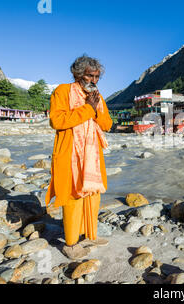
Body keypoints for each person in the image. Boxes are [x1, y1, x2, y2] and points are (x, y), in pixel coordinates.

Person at [45, 55, 113, 260]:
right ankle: (71, 243)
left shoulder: (97, 96)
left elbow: (107, 125)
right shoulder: (62, 91)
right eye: (90, 76)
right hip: (70, 154)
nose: (94, 80)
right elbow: (57, 121)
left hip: (92, 155)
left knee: (93, 195)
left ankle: (89, 235)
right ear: (77, 74)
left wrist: (96, 108)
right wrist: (88, 109)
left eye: (97, 77)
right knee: (73, 196)